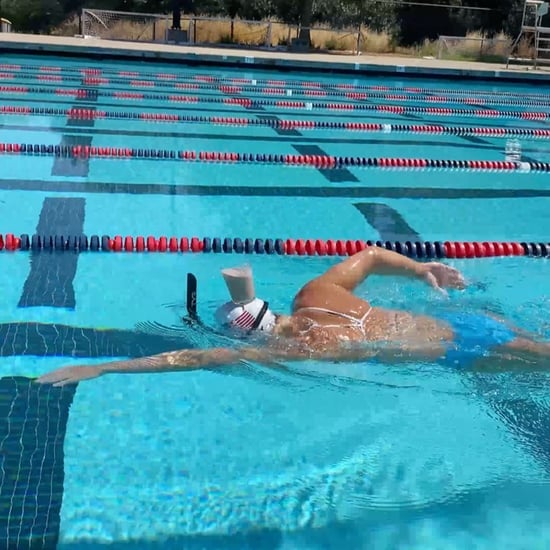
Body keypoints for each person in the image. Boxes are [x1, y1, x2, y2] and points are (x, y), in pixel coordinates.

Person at [37, 246, 550, 386]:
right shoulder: (314, 293)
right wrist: (421, 271)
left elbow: (197, 359)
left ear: (255, 337)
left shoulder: (297, 348)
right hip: (475, 324)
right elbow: (371, 255)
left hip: (465, 353)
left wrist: (102, 367)